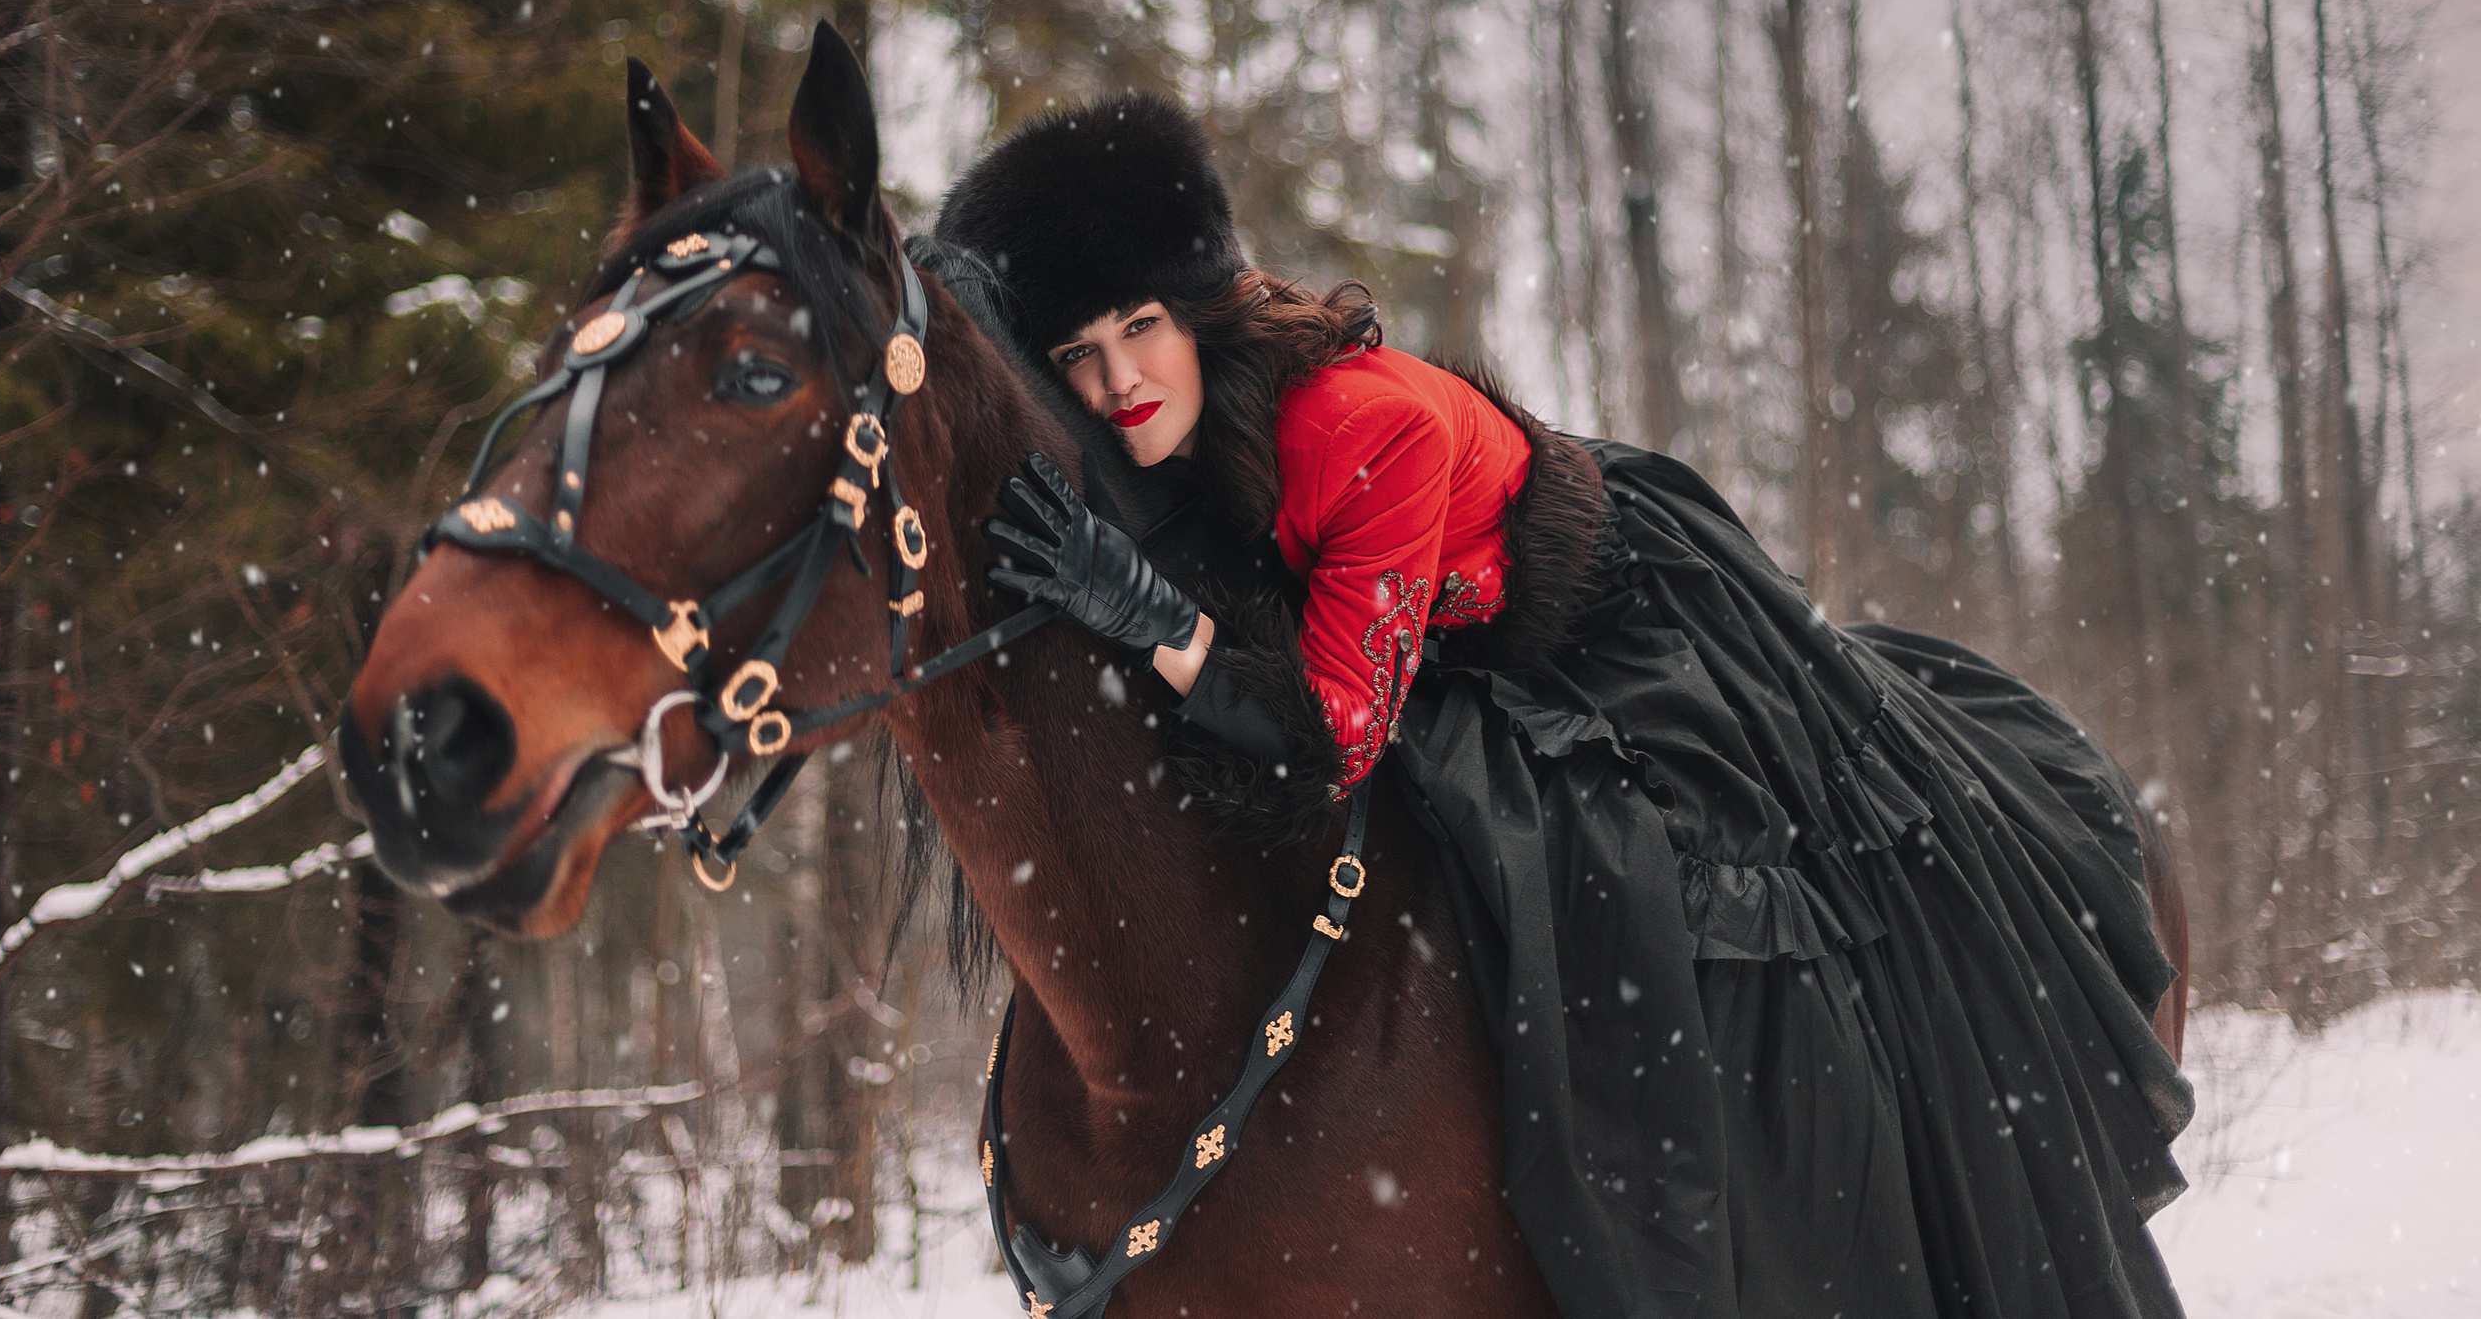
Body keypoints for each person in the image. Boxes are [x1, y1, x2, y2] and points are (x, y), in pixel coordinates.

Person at [934, 93, 2192, 1319]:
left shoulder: (1357, 430)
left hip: (1602, 623)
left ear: (1201, 310)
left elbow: (1330, 737)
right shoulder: (1173, 431)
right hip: (1425, 648)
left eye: (1139, 328)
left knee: (1649, 894)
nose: (1113, 384)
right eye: (1076, 357)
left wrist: (1150, 616)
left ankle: (1790, 1224)